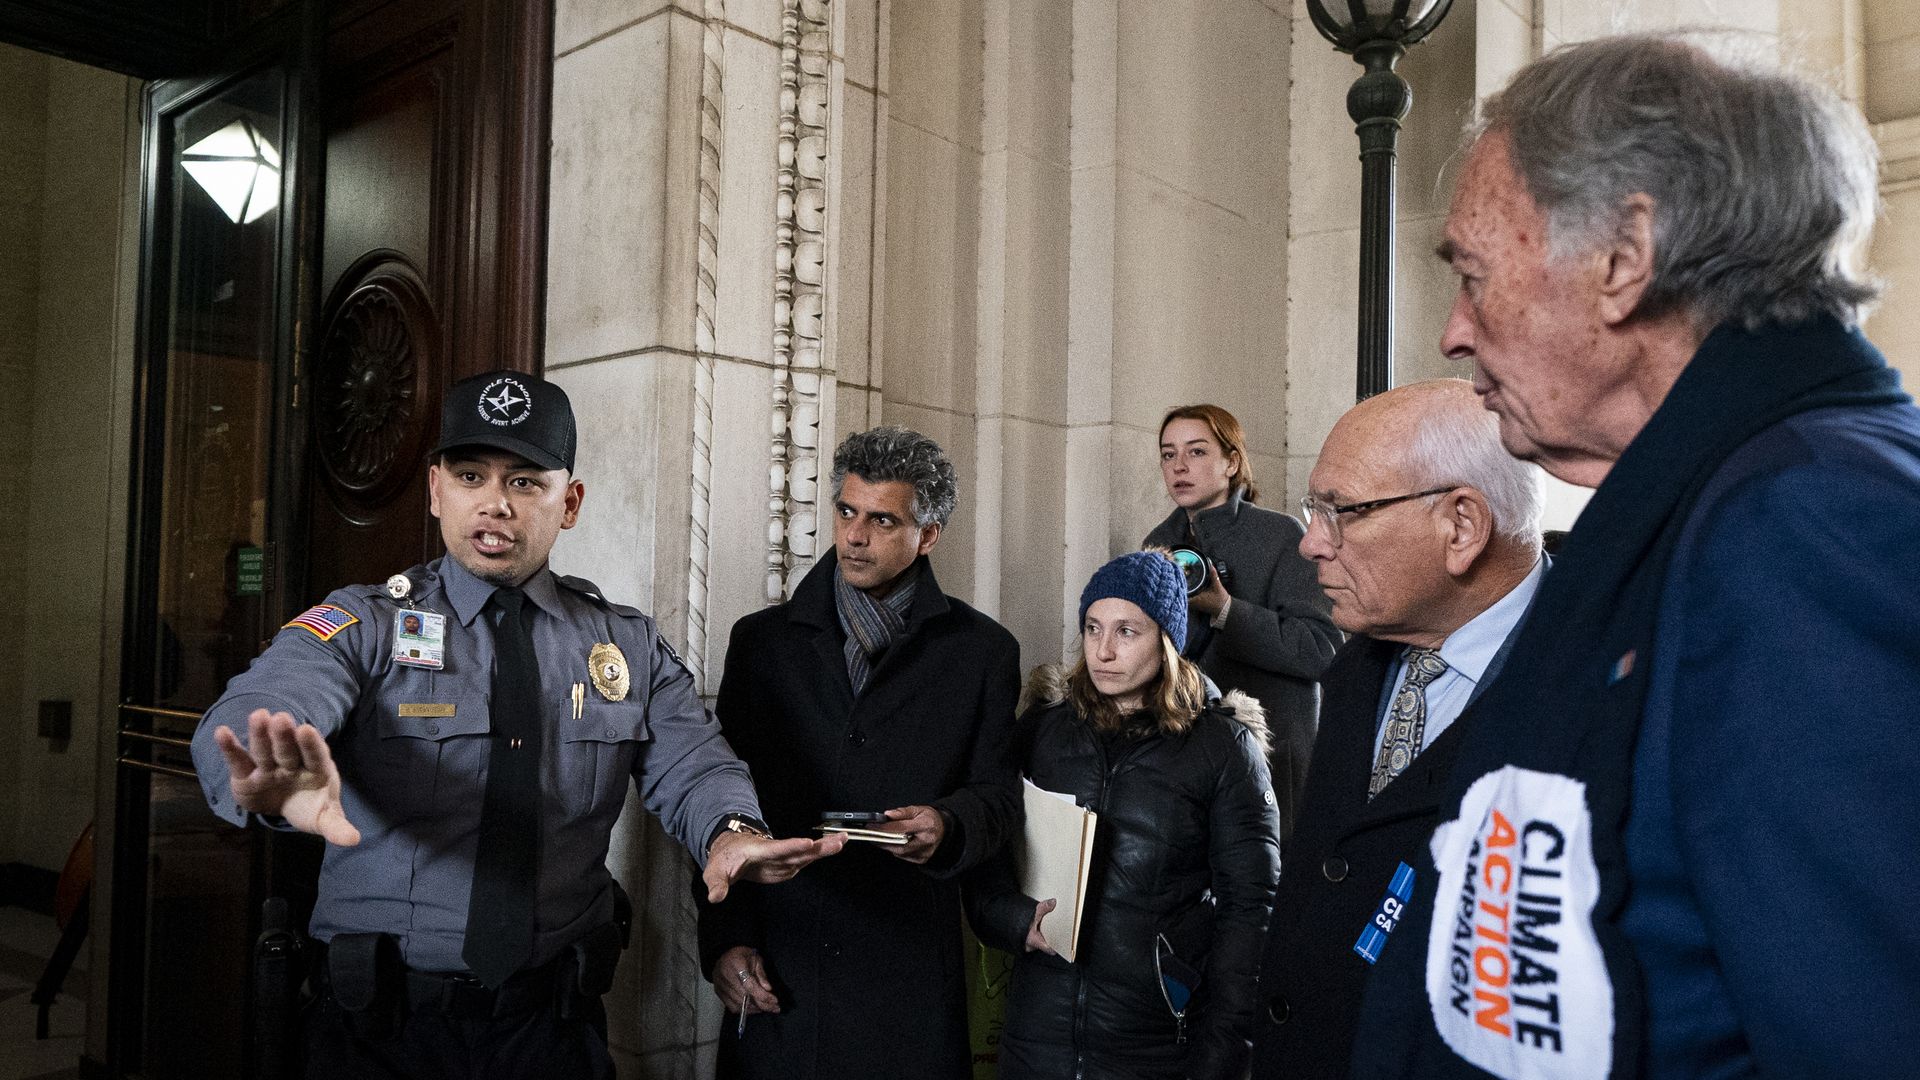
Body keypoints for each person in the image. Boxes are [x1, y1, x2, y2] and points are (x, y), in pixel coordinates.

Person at [1350, 33, 1920, 1079]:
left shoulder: (1812, 524)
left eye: (1475, 275)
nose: (1454, 332)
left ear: (1624, 258)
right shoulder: (1719, 502)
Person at [190, 370, 842, 1080]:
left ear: (570, 503)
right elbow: (268, 701)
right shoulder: (366, 624)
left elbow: (696, 764)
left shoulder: (623, 646)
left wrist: (732, 832)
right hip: (380, 1035)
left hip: (550, 1032)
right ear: (437, 489)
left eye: (526, 482)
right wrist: (264, 769)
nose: (496, 503)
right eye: (472, 475)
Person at [697, 426, 1021, 1080]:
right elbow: (719, 800)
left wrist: (947, 825)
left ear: (927, 536)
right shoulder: (761, 644)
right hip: (782, 969)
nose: (854, 536)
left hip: (906, 975)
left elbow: (998, 796)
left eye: (881, 520)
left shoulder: (983, 653)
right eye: (846, 512)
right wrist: (724, 942)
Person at [1251, 379, 1544, 1078]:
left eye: (1342, 512)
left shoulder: (1599, 686)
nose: (1311, 544)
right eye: (1312, 510)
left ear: (1461, 526)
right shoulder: (1358, 664)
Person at [964, 550, 1280, 1080]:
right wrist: (1015, 920)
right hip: (1037, 1036)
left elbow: (1252, 910)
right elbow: (983, 854)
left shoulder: (1223, 748)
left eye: (1127, 631)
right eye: (1092, 628)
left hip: (1155, 1044)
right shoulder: (1042, 731)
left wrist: (1223, 1054)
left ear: (1167, 640)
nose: (1104, 650)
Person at [1144, 404, 1339, 839]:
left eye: (1196, 452)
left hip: (1271, 755)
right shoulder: (1158, 543)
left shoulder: (1283, 535)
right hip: (1186, 754)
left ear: (1231, 462)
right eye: (1167, 454)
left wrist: (1226, 609)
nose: (1179, 466)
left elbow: (1322, 651)